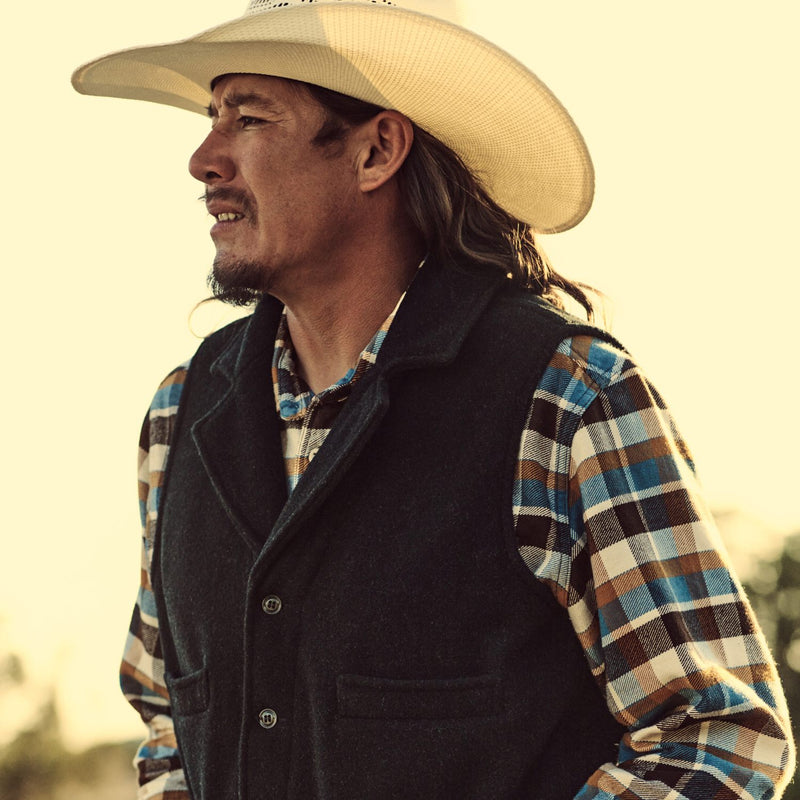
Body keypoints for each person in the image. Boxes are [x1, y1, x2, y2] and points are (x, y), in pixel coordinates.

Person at [72, 1, 794, 798]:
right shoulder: (178, 415)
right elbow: (168, 727)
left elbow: (717, 740)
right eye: (213, 118)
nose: (203, 159)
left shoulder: (565, 395)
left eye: (248, 119)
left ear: (376, 151)